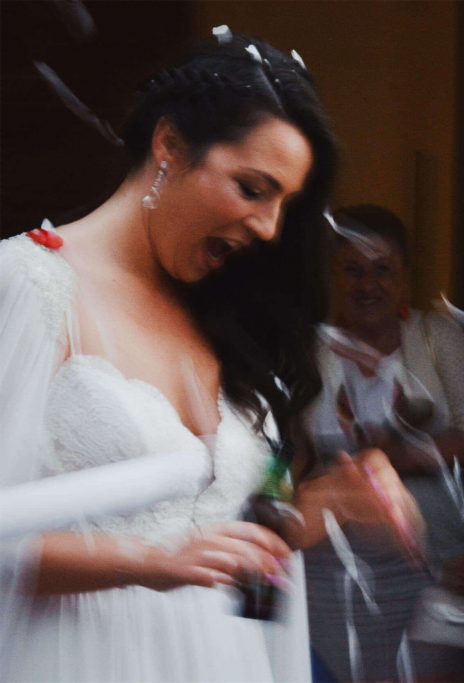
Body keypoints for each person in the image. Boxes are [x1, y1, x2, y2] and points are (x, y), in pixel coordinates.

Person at [0, 33, 420, 682]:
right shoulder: (28, 284)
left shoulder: (230, 317)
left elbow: (219, 535)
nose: (270, 228)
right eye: (252, 188)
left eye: (284, 204)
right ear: (169, 145)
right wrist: (147, 561)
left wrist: (323, 508)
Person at [305, 205, 464, 682]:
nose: (367, 284)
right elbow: (294, 458)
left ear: (405, 276)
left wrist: (393, 456)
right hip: (336, 577)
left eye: (382, 269)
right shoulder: (312, 351)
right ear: (333, 277)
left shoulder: (436, 336)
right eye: (353, 270)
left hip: (441, 569)